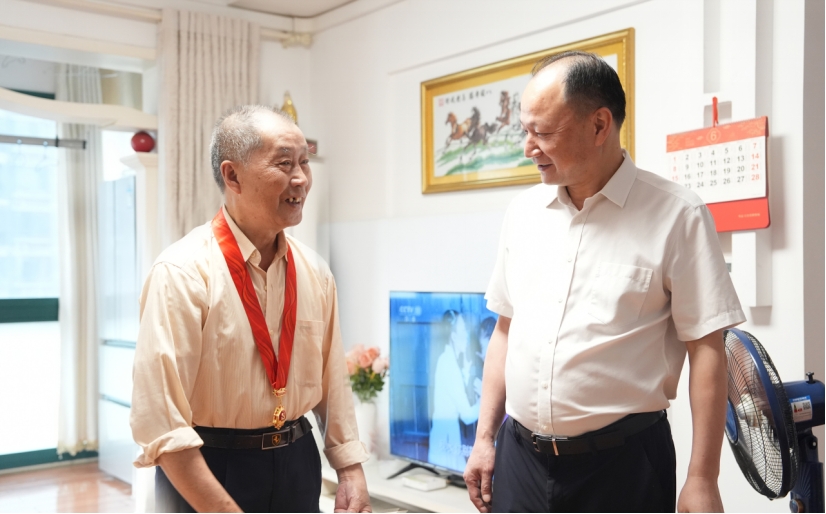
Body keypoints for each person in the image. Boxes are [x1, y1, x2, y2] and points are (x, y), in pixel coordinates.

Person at [464, 51, 745, 513]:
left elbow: (707, 349)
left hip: (622, 468)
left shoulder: (677, 214)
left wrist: (702, 478)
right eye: (525, 131)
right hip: (520, 461)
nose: (528, 148)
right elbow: (505, 330)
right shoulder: (523, 214)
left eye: (543, 132)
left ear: (599, 125)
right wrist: (483, 439)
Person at [130, 105, 371, 513]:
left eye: (304, 162)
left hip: (297, 460)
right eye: (284, 163)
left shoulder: (314, 271)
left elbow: (331, 381)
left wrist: (350, 470)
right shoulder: (182, 272)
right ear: (232, 176)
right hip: (209, 467)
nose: (301, 178)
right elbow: (163, 422)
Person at [428, 310, 481, 472]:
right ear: (453, 336)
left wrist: (466, 373)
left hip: (447, 436)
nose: (467, 334)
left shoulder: (448, 360)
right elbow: (468, 416)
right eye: (463, 330)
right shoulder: (449, 365)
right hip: (446, 438)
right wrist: (485, 398)